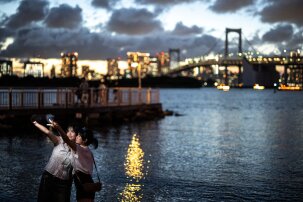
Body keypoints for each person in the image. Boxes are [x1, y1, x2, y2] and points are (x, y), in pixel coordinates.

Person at [32, 116, 78, 202]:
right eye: (68, 131)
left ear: (77, 135)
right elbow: (47, 132)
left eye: (72, 132)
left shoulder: (77, 149)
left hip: (63, 183)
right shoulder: (59, 141)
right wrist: (35, 123)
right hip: (48, 177)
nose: (69, 133)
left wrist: (58, 127)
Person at [51, 121, 99, 202]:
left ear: (85, 140)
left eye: (79, 136)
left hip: (82, 184)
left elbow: (66, 140)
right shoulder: (88, 151)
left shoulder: (79, 149)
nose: (76, 137)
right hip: (89, 183)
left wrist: (58, 127)